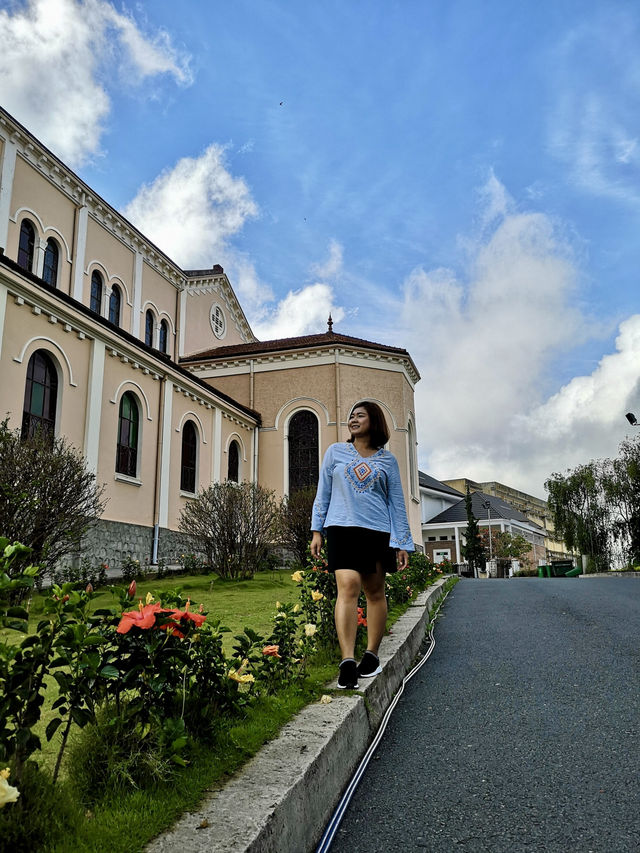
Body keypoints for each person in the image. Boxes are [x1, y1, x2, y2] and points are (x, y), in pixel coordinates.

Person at [310, 400, 414, 689]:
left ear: (374, 421)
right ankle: (346, 660)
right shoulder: (335, 453)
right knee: (348, 587)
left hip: (377, 531)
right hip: (341, 529)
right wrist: (316, 530)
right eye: (351, 417)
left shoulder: (387, 461)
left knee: (375, 592)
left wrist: (402, 542)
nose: (353, 420)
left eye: (360, 416)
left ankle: (371, 655)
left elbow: (396, 504)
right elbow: (323, 493)